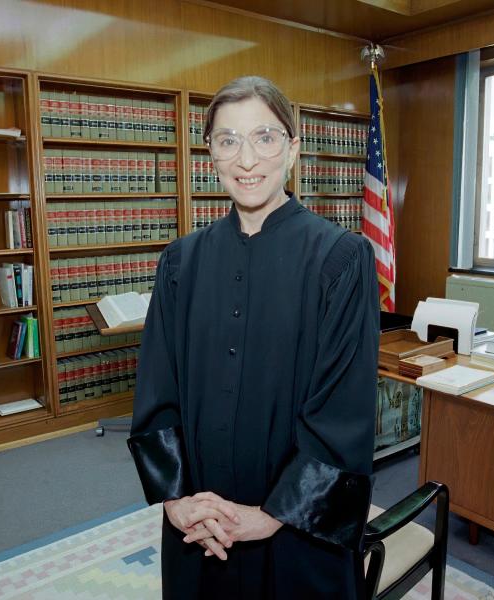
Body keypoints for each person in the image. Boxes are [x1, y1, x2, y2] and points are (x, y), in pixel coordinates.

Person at [128, 76, 379, 599]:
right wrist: (177, 502)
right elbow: (158, 392)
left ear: (292, 148)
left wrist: (271, 516)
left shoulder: (339, 260)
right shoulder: (180, 263)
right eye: (228, 141)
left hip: (295, 532)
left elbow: (342, 412)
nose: (247, 160)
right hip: (200, 524)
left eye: (264, 138)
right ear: (211, 155)